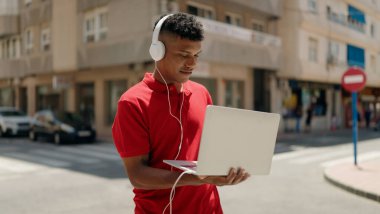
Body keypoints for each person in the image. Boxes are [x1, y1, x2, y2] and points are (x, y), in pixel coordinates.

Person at [112, 13, 250, 214]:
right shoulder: (133, 103)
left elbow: (210, 152)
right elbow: (137, 175)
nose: (192, 63)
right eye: (184, 55)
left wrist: (227, 169)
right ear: (157, 52)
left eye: (196, 55)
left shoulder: (202, 93)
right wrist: (199, 178)